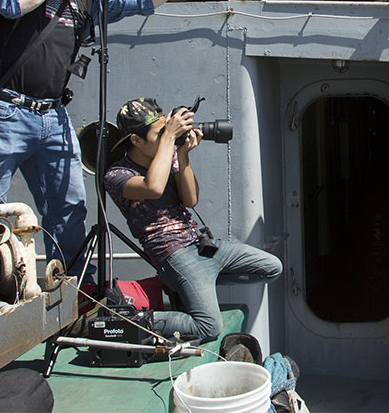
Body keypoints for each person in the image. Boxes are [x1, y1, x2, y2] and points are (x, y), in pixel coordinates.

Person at [0, 0, 207, 279]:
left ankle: (75, 287)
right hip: (5, 110)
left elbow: (142, 0)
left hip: (52, 116)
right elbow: (12, 1)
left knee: (68, 207)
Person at [104, 98, 282, 340]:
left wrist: (183, 155)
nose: (167, 137)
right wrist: (169, 138)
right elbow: (153, 187)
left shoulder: (168, 156)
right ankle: (128, 319)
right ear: (136, 140)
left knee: (272, 268)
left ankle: (196, 284)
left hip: (200, 246)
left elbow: (191, 200)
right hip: (174, 256)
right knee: (208, 327)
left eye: (167, 130)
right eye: (160, 134)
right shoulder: (117, 175)